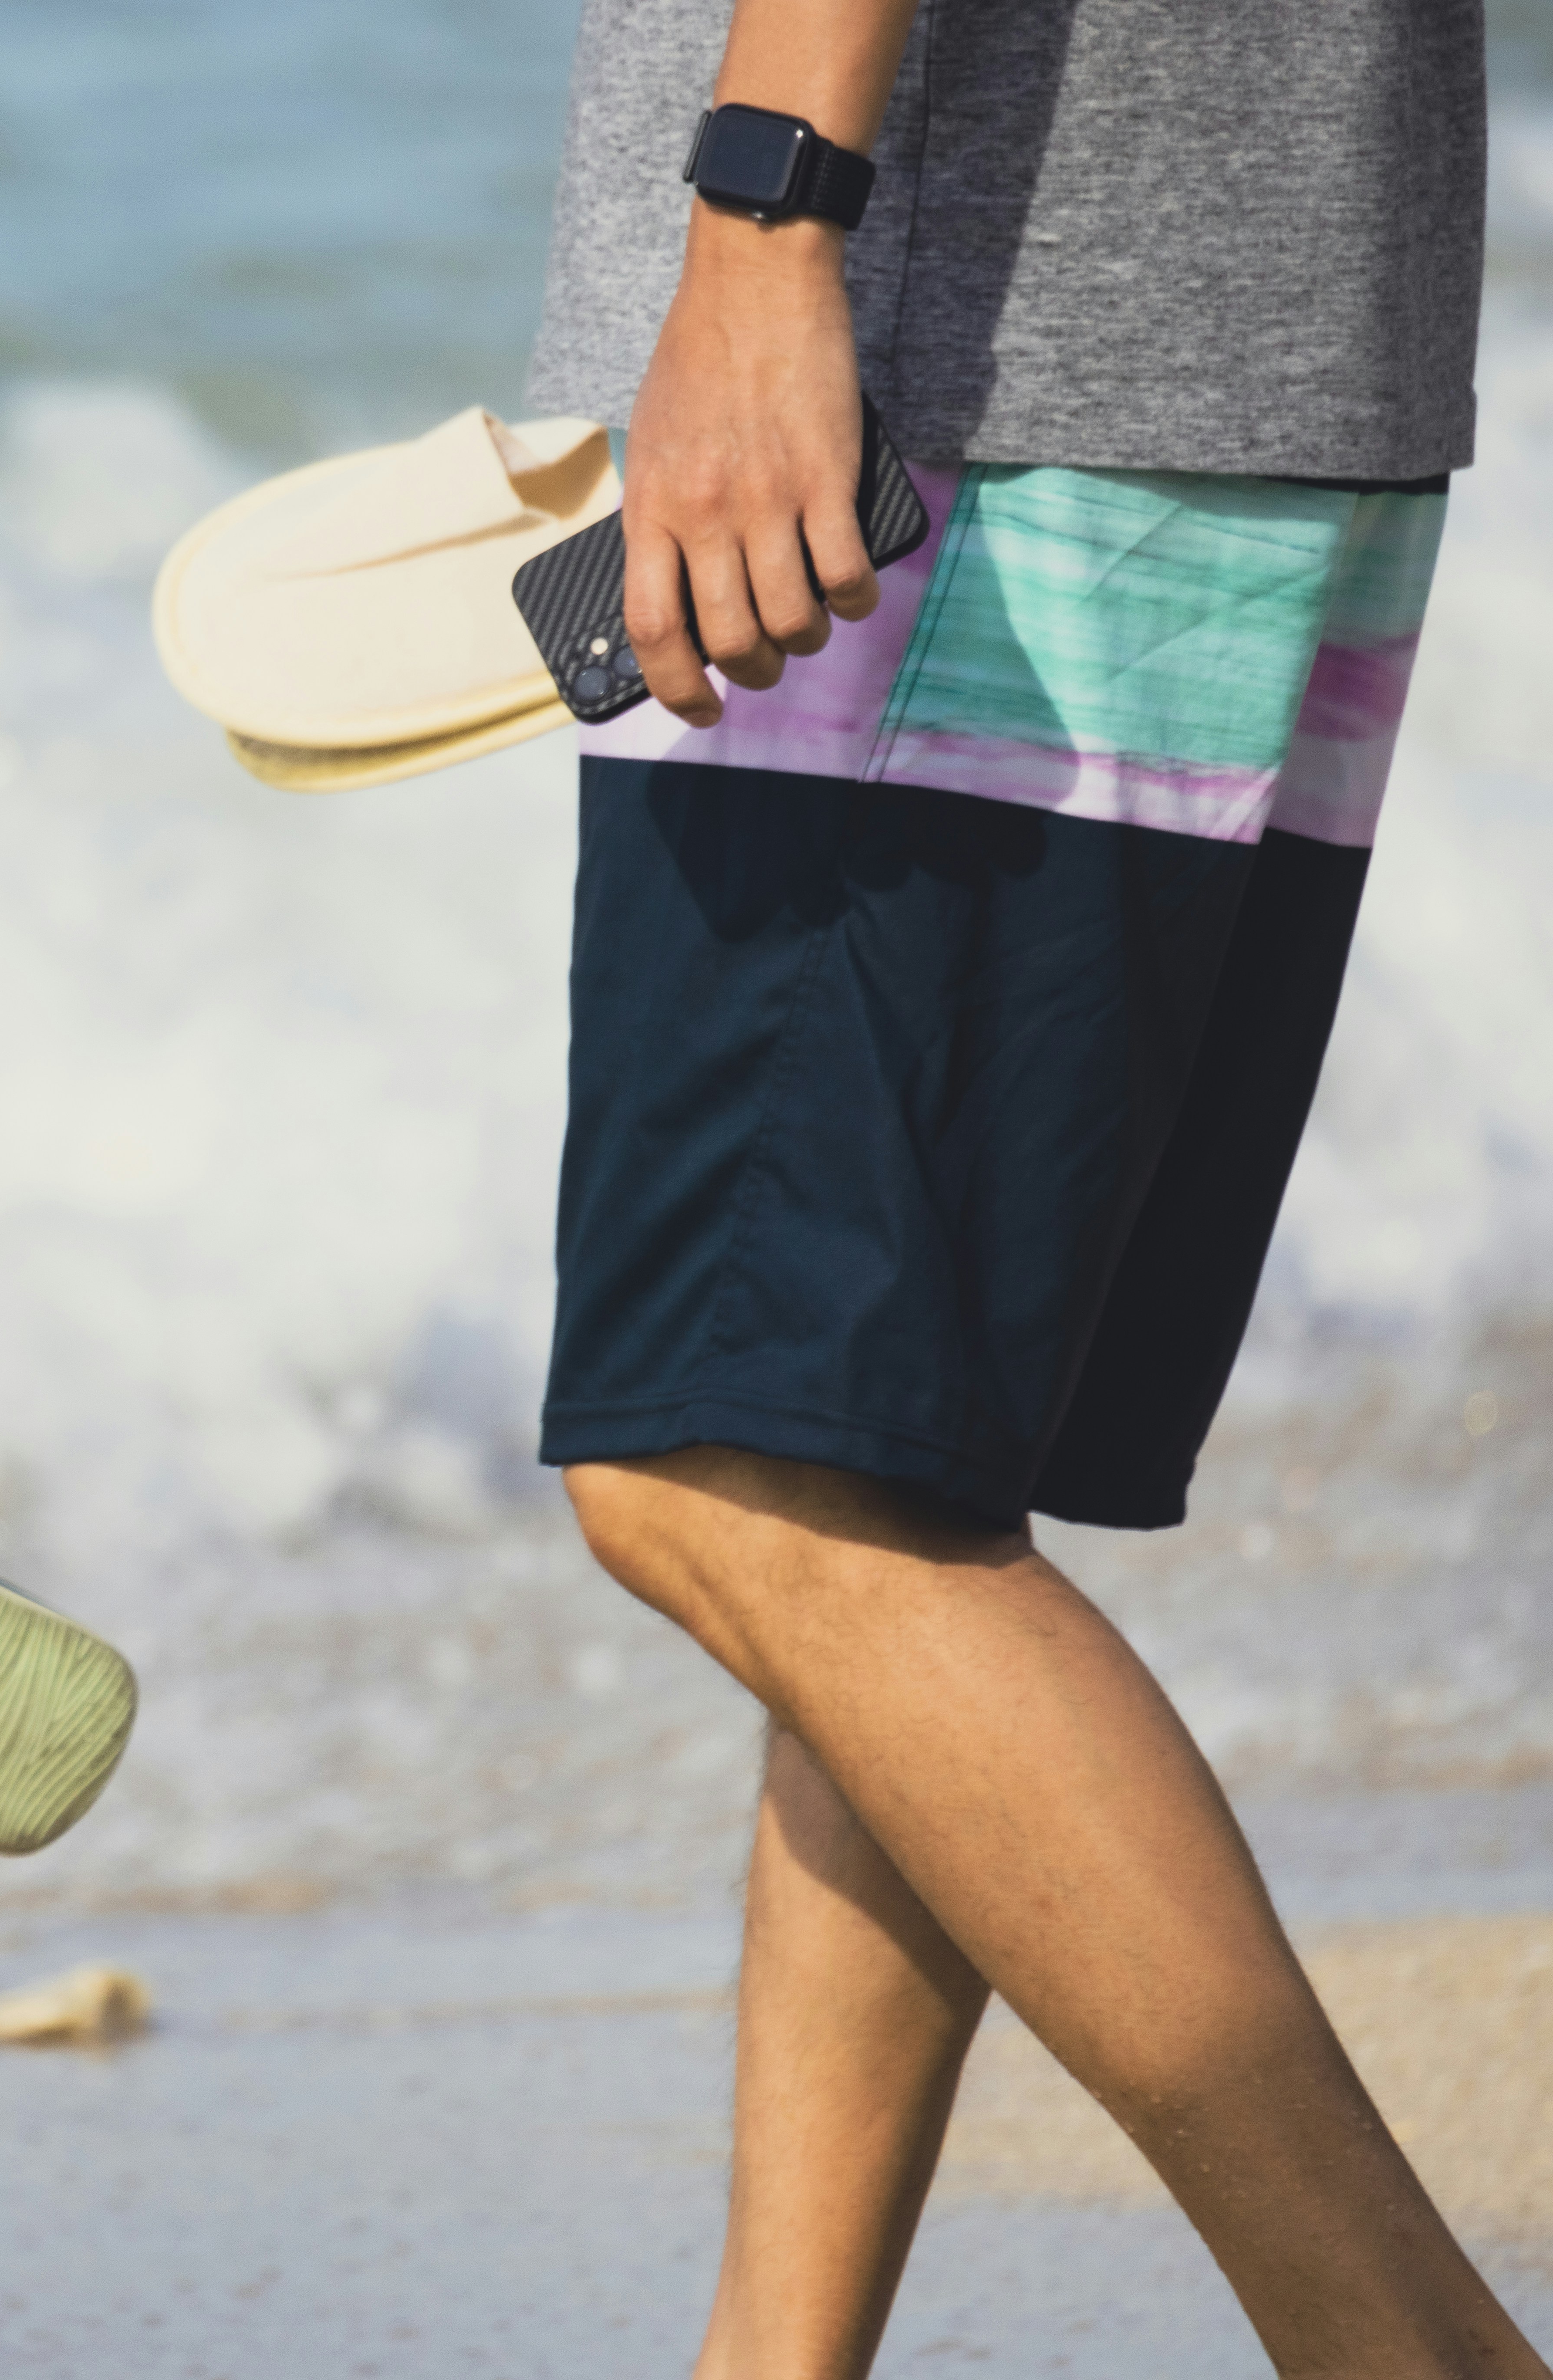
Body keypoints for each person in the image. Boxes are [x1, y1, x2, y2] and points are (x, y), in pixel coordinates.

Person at [527, 0, 1547, 2370]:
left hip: (979, 333)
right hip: (1232, 316)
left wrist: (771, 202)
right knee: (880, 1483)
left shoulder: (843, 244)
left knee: (734, 1482)